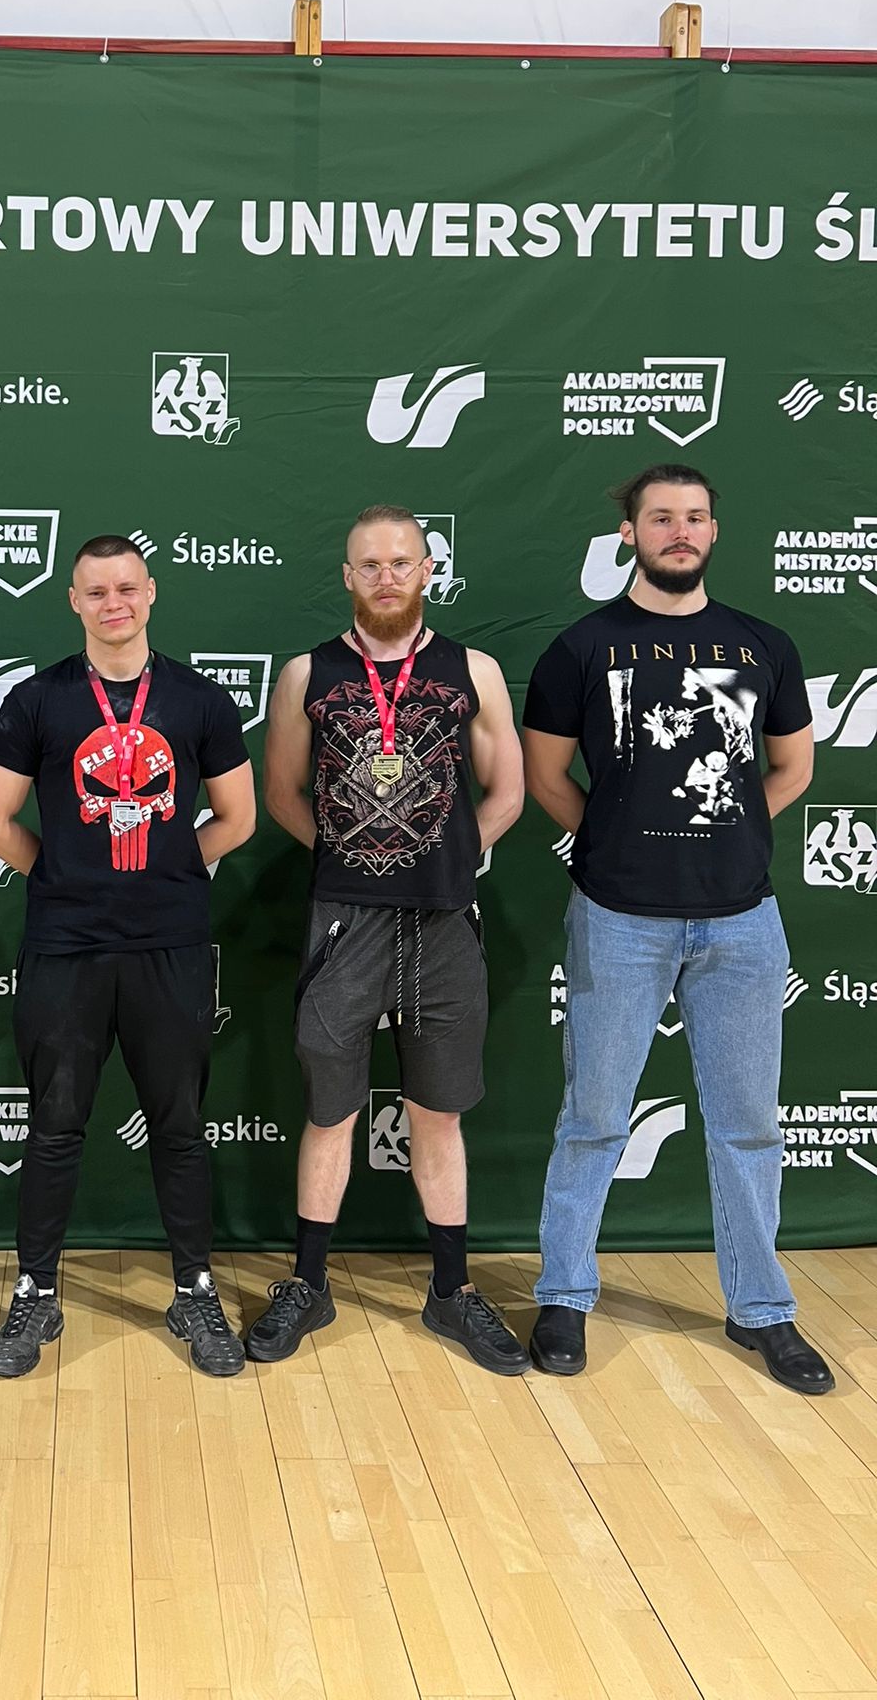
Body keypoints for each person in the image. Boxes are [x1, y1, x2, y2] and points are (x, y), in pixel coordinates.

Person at [522, 464, 830, 1392]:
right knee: (593, 1118)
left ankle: (761, 1309)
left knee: (748, 1126)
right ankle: (564, 1296)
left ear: (713, 532)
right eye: (660, 518)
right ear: (630, 533)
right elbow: (545, 777)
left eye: (694, 517)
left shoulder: (764, 644)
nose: (679, 531)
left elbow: (793, 767)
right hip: (618, 918)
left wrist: (731, 829)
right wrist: (613, 839)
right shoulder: (582, 649)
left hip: (743, 922)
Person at [0, 535, 256, 1377]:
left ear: (151, 592)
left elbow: (238, 818)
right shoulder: (36, 700)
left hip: (170, 944)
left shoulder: (200, 700)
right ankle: (35, 1292)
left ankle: (194, 1288)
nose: (113, 604)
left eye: (126, 588)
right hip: (67, 947)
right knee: (55, 1125)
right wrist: (60, 874)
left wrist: (169, 871)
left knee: (180, 1127)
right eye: (96, 592)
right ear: (73, 600)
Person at [249, 505, 527, 1373]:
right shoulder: (308, 673)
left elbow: (509, 792)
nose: (385, 577)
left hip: (444, 921)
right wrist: (353, 859)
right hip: (346, 921)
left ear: (427, 569)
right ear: (347, 575)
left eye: (400, 562)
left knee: (436, 1113)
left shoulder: (473, 669)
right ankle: (309, 1283)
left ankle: (451, 1291)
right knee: (330, 1112)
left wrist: (446, 858)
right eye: (369, 564)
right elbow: (282, 792)